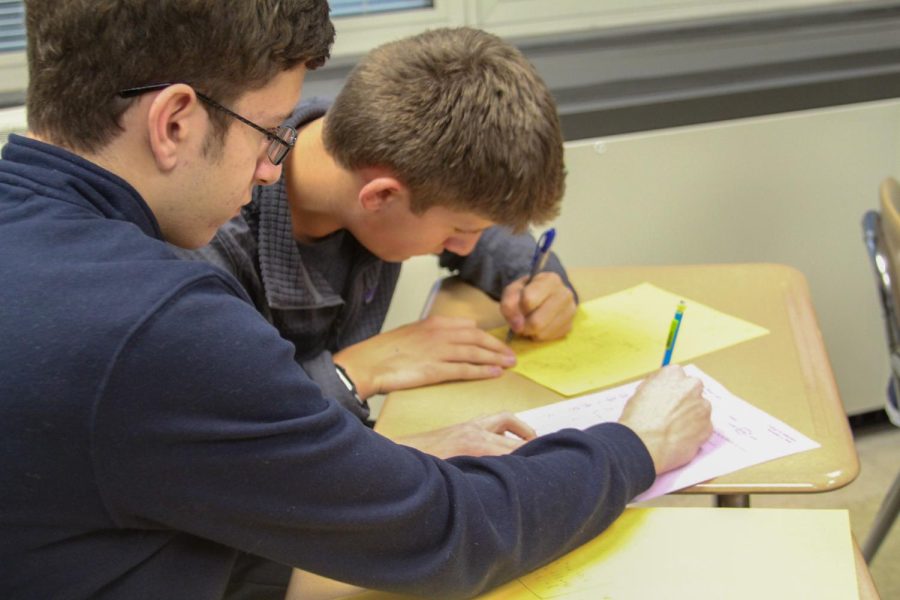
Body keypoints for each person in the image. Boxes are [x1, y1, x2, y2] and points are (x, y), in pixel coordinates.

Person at [0, 3, 713, 600]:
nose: (270, 166)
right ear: (176, 121)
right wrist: (635, 447)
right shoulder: (164, 320)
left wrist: (346, 469)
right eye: (267, 133)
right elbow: (451, 535)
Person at [179, 27, 579, 457]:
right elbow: (233, 434)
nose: (466, 246)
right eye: (458, 233)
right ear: (382, 197)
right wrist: (356, 371)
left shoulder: (388, 148)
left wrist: (543, 286)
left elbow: (495, 236)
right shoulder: (205, 240)